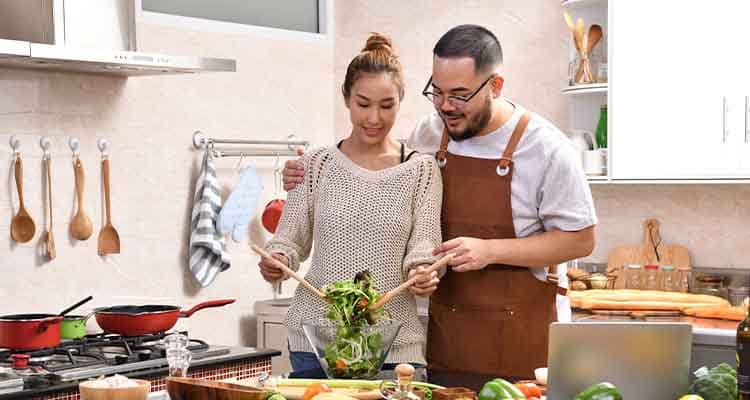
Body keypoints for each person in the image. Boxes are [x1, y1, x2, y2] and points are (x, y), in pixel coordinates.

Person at [282, 25, 597, 383]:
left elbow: (580, 240)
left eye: (460, 95)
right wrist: (302, 175)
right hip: (446, 337)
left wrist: (490, 250)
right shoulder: (430, 134)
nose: (446, 106)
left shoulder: (546, 149)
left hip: (517, 338)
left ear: (495, 86)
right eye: (438, 92)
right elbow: (377, 178)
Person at [258, 33, 443, 377]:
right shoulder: (314, 164)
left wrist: (423, 271)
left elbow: (424, 246)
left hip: (395, 345)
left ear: (401, 101)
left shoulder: (422, 170)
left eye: (386, 105)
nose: (374, 117)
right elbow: (289, 240)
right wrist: (277, 259)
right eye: (363, 103)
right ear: (346, 99)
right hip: (316, 341)